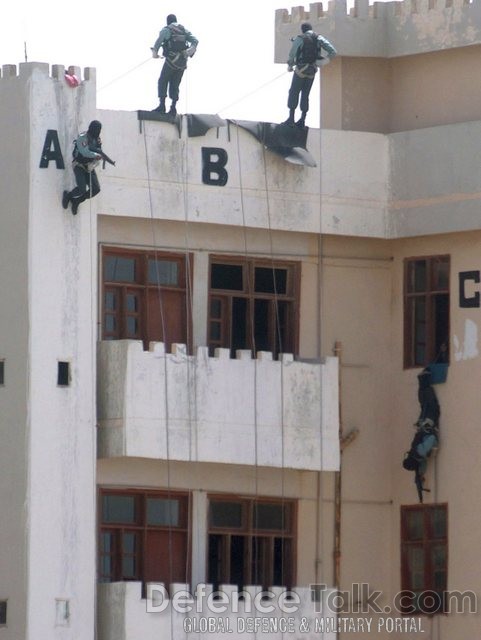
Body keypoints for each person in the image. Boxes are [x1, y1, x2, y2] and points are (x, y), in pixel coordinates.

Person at [284, 22, 337, 128]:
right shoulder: (319, 38)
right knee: (305, 94)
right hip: (312, 71)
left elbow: (292, 54)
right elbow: (333, 51)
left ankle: (291, 119)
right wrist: (324, 61)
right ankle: (302, 120)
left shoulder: (300, 38)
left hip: (300, 70)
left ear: (302, 30)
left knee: (294, 92)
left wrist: (290, 65)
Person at [62, 120, 115, 216]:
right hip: (79, 165)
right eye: (97, 129)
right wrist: (95, 155)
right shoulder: (83, 137)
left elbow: (100, 152)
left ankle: (77, 201)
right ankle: (68, 196)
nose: (98, 131)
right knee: (82, 189)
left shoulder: (97, 140)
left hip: (89, 167)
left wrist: (100, 161)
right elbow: (84, 152)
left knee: (96, 189)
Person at [151, 14, 198, 116]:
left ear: (168, 21)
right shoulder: (183, 30)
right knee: (175, 84)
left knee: (163, 80)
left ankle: (162, 105)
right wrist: (190, 51)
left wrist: (155, 53)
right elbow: (195, 41)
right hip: (182, 63)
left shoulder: (166, 29)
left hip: (171, 61)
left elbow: (158, 42)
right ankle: (173, 107)